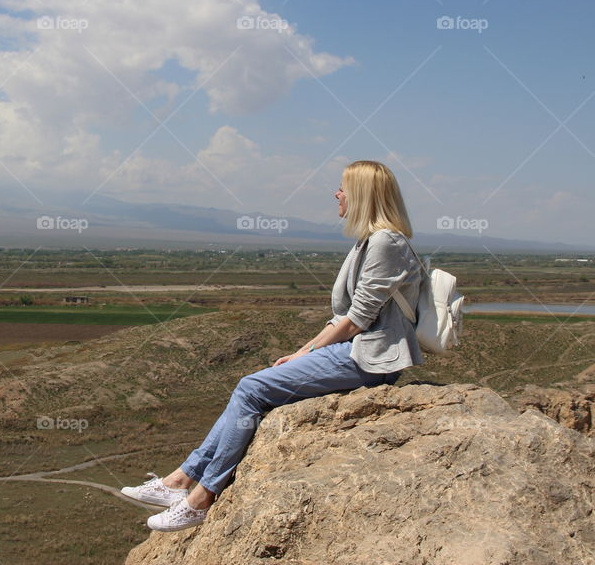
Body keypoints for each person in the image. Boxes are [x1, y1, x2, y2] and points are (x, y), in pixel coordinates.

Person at [120, 160, 425, 532]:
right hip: (357, 350)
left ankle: (201, 496)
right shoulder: (368, 242)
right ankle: (181, 481)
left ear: (363, 194)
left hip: (370, 357)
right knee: (253, 385)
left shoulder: (385, 242)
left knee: (252, 387)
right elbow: (343, 316)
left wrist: (306, 354)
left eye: (343, 187)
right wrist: (301, 353)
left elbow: (356, 320)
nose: (337, 193)